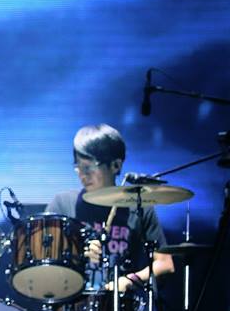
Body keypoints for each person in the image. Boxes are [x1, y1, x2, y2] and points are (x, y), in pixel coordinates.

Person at [45, 124, 175, 292]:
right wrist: (76, 253)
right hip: (73, 300)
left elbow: (165, 264)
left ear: (116, 165)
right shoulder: (63, 204)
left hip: (122, 302)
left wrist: (129, 280)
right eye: (78, 166)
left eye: (89, 167)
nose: (82, 174)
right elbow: (43, 259)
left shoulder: (139, 206)